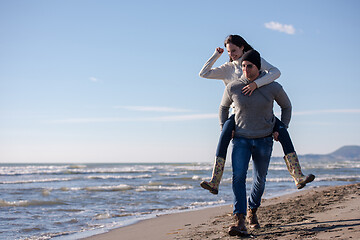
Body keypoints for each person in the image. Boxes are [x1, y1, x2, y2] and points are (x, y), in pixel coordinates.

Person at [199, 35, 314, 195]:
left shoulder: (253, 59)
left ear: (242, 47)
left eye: (234, 50)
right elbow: (204, 73)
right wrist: (215, 56)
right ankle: (214, 181)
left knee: (283, 131)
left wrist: (256, 84)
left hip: (262, 111)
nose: (231, 54)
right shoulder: (227, 68)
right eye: (228, 51)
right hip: (238, 114)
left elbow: (276, 72)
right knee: (224, 132)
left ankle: (298, 176)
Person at [221, 49, 291, 236]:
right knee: (238, 177)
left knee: (259, 180)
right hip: (241, 140)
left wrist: (281, 128)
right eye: (243, 66)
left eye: (249, 66)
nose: (245, 69)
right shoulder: (233, 87)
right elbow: (223, 108)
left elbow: (287, 106)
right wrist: (226, 129)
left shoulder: (272, 87)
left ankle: (252, 209)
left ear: (258, 67)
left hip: (264, 140)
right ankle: (240, 218)